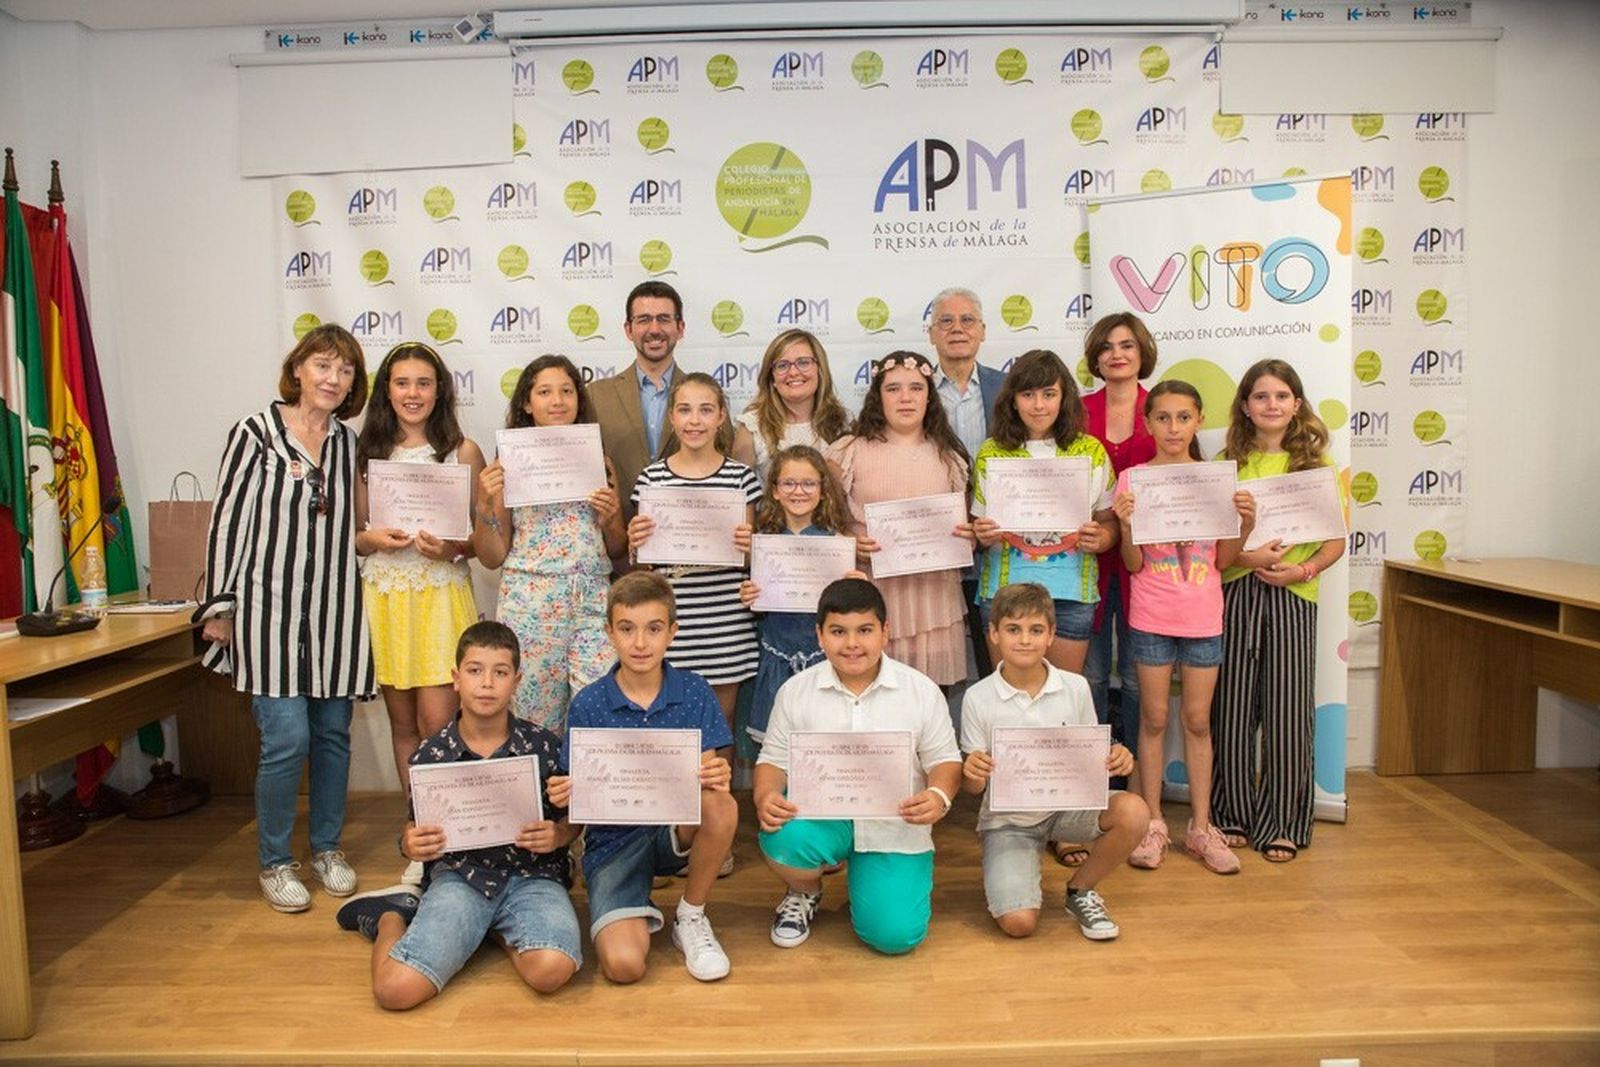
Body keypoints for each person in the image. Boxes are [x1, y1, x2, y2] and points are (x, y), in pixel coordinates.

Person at [200, 324, 373, 912]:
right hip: (267, 612)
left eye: (345, 370)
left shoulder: (349, 443)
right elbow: (226, 519)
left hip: (335, 612)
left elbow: (350, 527)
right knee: (286, 740)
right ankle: (275, 860)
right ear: (297, 369)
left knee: (331, 736)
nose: (333, 378)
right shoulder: (255, 433)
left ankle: (327, 847)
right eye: (323, 365)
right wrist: (220, 606)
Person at [334, 622, 580, 1009]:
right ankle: (390, 918)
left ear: (515, 681)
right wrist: (408, 842)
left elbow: (573, 820)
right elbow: (415, 825)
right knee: (394, 991)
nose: (486, 683)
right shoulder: (431, 756)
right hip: (460, 878)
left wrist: (561, 835)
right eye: (475, 670)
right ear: (455, 679)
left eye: (500, 673)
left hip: (534, 877)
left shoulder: (544, 746)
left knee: (552, 970)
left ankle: (491, 928)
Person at [754, 578, 962, 955]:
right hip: (822, 819)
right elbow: (773, 760)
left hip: (894, 825)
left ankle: (870, 883)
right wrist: (766, 794)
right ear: (819, 635)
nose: (851, 644)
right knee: (784, 837)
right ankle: (805, 890)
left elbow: (945, 758)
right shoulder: (795, 691)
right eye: (838, 631)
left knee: (896, 938)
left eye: (864, 630)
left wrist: (939, 795)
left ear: (885, 632)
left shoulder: (921, 690)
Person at [558, 572, 739, 983]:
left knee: (719, 802)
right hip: (613, 843)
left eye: (654, 629)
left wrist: (714, 773)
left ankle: (690, 916)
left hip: (672, 831)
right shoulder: (588, 703)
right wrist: (566, 791)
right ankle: (632, 903)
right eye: (627, 629)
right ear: (609, 632)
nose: (640, 643)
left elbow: (705, 779)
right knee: (623, 967)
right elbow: (576, 791)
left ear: (672, 632)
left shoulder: (693, 689)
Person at [1111, 381, 1253, 875]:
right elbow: (1130, 565)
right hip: (1151, 615)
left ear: (1198, 421)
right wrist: (1126, 527)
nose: (1173, 428)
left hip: (1202, 616)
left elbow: (1224, 561)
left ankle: (1200, 826)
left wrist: (1245, 527)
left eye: (1184, 417)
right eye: (1163, 418)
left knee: (1196, 721)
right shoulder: (1131, 480)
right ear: (1147, 424)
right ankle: (1152, 824)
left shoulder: (1215, 480)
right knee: (1151, 720)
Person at [959, 583, 1148, 940]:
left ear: (1051, 635)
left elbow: (1091, 762)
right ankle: (1018, 872)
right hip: (1008, 821)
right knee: (1019, 925)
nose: (1025, 640)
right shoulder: (977, 698)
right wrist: (972, 771)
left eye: (1036, 630)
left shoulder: (1075, 687)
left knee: (1134, 811)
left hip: (1067, 810)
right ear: (994, 633)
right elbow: (973, 788)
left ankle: (1080, 890)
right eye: (1013, 629)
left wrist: (1117, 757)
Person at [1213, 359, 1346, 863]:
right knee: (1233, 707)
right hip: (1237, 590)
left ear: (1296, 405)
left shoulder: (1316, 469)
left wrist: (1303, 571)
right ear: (1246, 406)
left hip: (1294, 595)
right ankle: (1232, 813)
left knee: (1288, 710)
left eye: (1282, 396)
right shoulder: (1229, 463)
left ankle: (1284, 821)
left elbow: (1334, 543)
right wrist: (1247, 558)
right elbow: (1218, 544)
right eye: (1262, 396)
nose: (1272, 405)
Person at [354, 342, 484, 796]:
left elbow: (484, 539)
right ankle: (421, 834)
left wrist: (453, 548)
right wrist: (369, 541)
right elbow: (355, 533)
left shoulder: (462, 451)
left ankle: (454, 835)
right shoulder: (367, 452)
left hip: (441, 597)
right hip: (388, 597)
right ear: (386, 391)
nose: (413, 393)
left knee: (439, 723)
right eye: (402, 382)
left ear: (440, 391)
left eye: (423, 383)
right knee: (403, 724)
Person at [475, 354, 625, 730]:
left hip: (592, 601)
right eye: (544, 392)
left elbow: (619, 547)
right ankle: (543, 790)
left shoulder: (600, 461)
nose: (557, 401)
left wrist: (609, 519)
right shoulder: (507, 463)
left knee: (600, 712)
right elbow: (492, 556)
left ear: (579, 399)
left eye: (566, 391)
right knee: (533, 719)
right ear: (527, 402)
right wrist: (484, 503)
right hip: (530, 603)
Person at [826, 351, 975, 688]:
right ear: (878, 396)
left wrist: (969, 537)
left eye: (916, 388)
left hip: (933, 602)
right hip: (871, 596)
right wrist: (849, 545)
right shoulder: (847, 452)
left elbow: (968, 530)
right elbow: (822, 525)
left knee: (928, 702)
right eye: (893, 388)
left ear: (930, 396)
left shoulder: (949, 456)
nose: (905, 397)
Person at [626, 372, 762, 735]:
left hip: (725, 622)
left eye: (705, 410)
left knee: (722, 727)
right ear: (671, 417)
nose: (695, 420)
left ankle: (720, 794)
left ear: (721, 416)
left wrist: (752, 546)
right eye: (684, 410)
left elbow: (750, 561)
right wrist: (635, 544)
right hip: (672, 622)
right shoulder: (651, 480)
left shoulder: (741, 479)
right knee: (669, 727)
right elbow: (643, 565)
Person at [971, 349, 1118, 675]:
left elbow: (1109, 521)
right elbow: (976, 528)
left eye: (1049, 394)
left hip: (1070, 594)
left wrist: (1103, 538)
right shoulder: (991, 453)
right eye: (1028, 395)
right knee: (1007, 703)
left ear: (1064, 397)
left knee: (1062, 702)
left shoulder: (1089, 450)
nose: (1039, 405)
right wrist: (980, 535)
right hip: (1003, 594)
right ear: (1012, 400)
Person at [737, 445, 864, 746]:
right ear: (775, 490)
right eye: (789, 483)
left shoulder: (838, 543)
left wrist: (857, 588)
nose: (799, 491)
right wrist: (750, 597)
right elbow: (760, 608)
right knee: (777, 750)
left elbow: (848, 611)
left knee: (825, 747)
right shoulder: (763, 543)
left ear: (822, 490)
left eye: (809, 483)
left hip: (826, 663)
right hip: (776, 660)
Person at [1080, 314, 1159, 768]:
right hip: (1085, 560)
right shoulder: (1074, 411)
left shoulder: (1162, 408)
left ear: (1142, 352)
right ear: (1096, 356)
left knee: (1134, 678)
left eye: (1127, 345)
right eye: (1107, 346)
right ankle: (1091, 780)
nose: (1117, 354)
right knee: (1089, 676)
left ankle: (1136, 780)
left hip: (1143, 566)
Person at [927, 287, 1006, 676]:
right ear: (931, 334)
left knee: (1001, 663)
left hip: (996, 548)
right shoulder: (911, 391)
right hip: (931, 548)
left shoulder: (1009, 389)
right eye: (946, 321)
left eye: (967, 320)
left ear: (983, 331)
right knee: (934, 664)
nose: (957, 329)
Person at [590, 280, 684, 518]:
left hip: (686, 541)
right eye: (643, 319)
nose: (654, 329)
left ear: (680, 328)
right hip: (615, 541)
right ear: (629, 330)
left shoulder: (707, 397)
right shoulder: (595, 396)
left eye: (664, 319)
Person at [730, 329, 851, 487]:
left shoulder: (843, 422)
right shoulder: (752, 427)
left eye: (803, 362)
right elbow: (739, 498)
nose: (793, 372)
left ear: (819, 369)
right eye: (782, 365)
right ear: (772, 377)